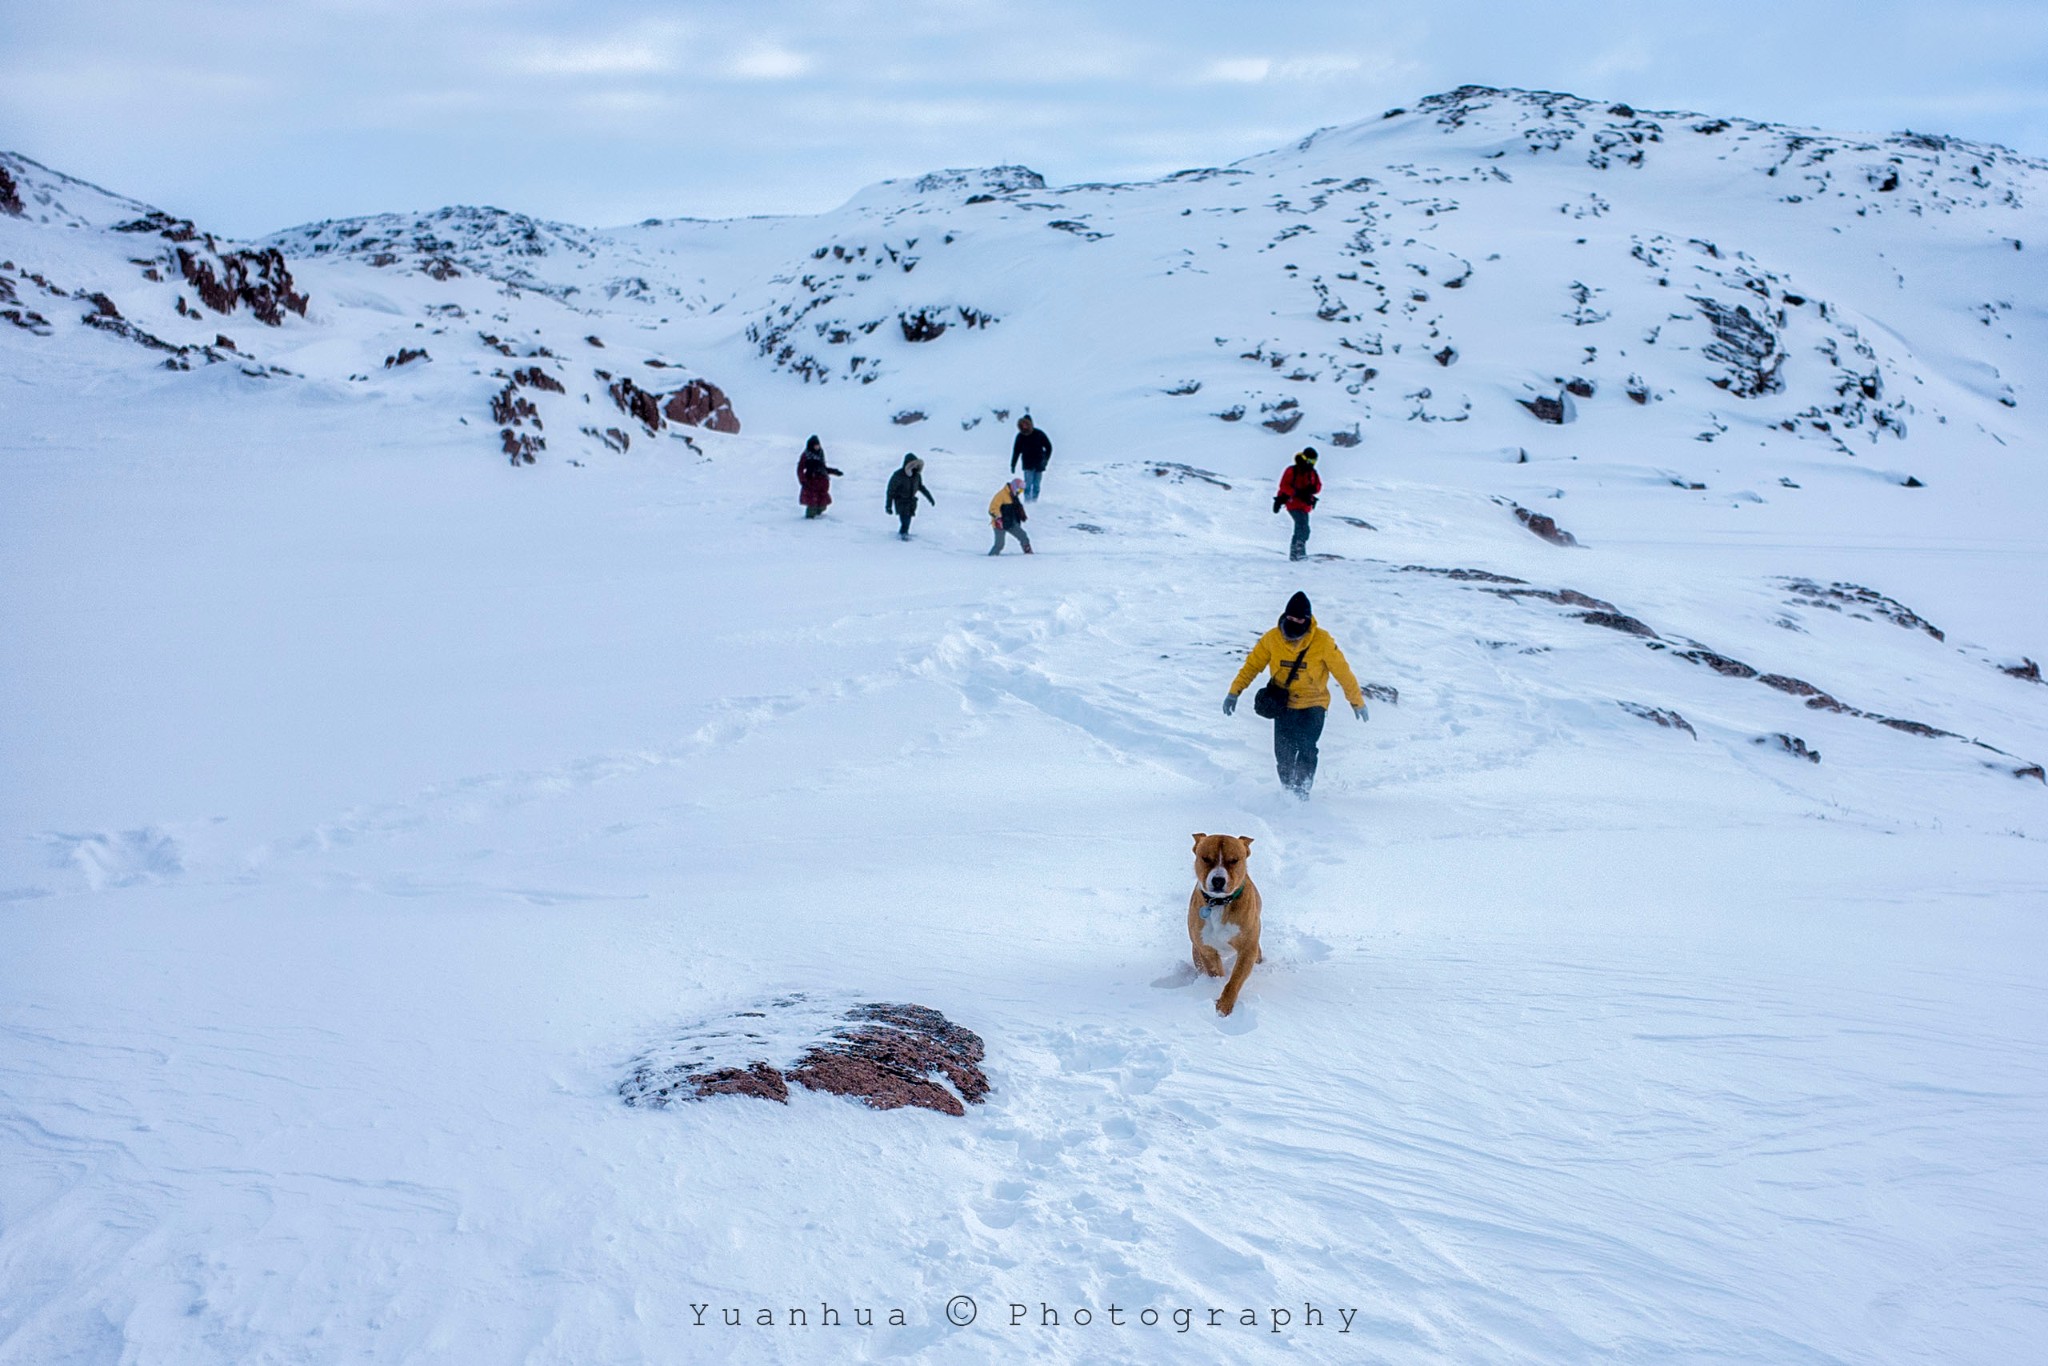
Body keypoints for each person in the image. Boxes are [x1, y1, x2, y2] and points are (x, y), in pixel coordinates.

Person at [1223, 591, 1366, 798]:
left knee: (1307, 747)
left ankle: (1302, 790)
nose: (1294, 622)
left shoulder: (1322, 641)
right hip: (1283, 704)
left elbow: (1343, 672)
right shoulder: (1272, 638)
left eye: (1299, 619)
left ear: (1307, 620)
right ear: (1284, 616)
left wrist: (1356, 702)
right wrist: (1234, 692)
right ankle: (1288, 790)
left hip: (1314, 703)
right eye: (1290, 618)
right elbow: (1252, 666)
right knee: (1284, 754)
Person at [1273, 447, 1321, 561]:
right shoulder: (1292, 470)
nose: (1313, 464)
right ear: (1306, 459)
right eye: (1311, 461)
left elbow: (1318, 486)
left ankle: (1294, 556)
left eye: (1314, 461)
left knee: (1300, 528)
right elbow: (1283, 485)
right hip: (1293, 503)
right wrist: (1296, 493)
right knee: (1303, 527)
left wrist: (1312, 490)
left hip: (1305, 505)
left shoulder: (1312, 473)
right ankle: (1300, 553)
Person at [885, 454, 936, 539]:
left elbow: (921, 487)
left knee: (908, 520)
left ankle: (904, 533)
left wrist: (930, 498)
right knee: (905, 520)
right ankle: (903, 536)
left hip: (911, 503)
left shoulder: (917, 476)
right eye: (912, 464)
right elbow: (890, 491)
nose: (915, 466)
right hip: (901, 502)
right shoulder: (898, 475)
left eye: (916, 464)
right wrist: (888, 506)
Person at [797, 436, 842, 519]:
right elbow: (800, 469)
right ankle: (809, 522)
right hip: (811, 483)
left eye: (818, 445)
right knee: (812, 504)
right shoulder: (806, 455)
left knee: (822, 505)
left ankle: (817, 516)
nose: (817, 447)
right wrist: (803, 481)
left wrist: (834, 471)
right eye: (815, 445)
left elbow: (823, 467)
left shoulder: (821, 453)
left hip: (822, 483)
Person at [1010, 415, 1052, 502]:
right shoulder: (1020, 436)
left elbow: (1049, 447)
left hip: (1039, 464)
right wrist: (1013, 464)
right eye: (1023, 424)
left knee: (1036, 485)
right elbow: (1016, 451)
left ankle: (1034, 501)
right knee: (1028, 485)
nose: (1025, 426)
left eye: (1026, 424)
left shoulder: (1039, 434)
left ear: (1031, 424)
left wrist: (1045, 460)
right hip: (1028, 464)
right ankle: (1028, 502)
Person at [987, 477, 1033, 555]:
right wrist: (998, 518)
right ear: (1014, 487)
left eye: (1022, 490)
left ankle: (1028, 554)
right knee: (999, 545)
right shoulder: (1001, 495)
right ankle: (991, 558)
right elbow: (993, 508)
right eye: (1019, 489)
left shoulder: (1013, 496)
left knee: (1023, 537)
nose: (1020, 492)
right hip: (1000, 524)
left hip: (1011, 523)